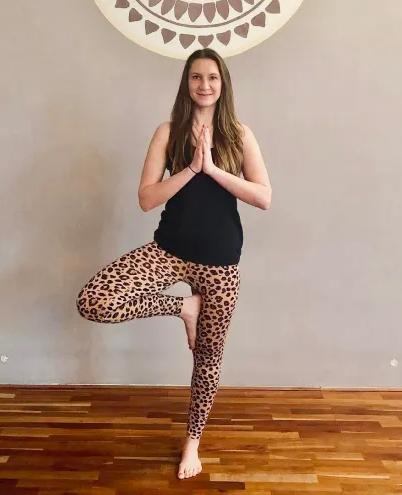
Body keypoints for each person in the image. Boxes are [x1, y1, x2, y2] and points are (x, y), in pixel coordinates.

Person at [76, 48, 271, 480]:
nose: (205, 85)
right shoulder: (168, 132)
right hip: (168, 251)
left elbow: (264, 197)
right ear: (186, 83)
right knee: (94, 301)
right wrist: (190, 169)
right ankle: (184, 308)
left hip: (220, 262)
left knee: (208, 358)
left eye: (212, 77)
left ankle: (192, 443)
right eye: (196, 77)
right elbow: (146, 199)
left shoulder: (239, 135)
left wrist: (214, 169)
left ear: (223, 84)